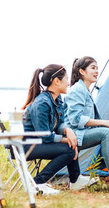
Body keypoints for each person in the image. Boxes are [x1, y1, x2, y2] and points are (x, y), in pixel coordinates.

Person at [22, 64, 96, 194]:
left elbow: (60, 124)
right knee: (70, 149)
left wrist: (68, 131)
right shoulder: (42, 104)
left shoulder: (57, 99)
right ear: (56, 81)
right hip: (27, 145)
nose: (68, 83)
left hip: (39, 143)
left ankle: (75, 180)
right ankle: (36, 183)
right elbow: (44, 136)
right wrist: (67, 140)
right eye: (66, 79)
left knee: (72, 146)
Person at [65, 56, 109, 187]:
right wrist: (104, 123)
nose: (97, 71)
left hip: (84, 132)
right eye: (93, 68)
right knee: (105, 132)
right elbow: (76, 120)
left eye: (97, 68)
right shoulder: (77, 89)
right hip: (74, 135)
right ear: (82, 72)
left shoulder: (85, 90)